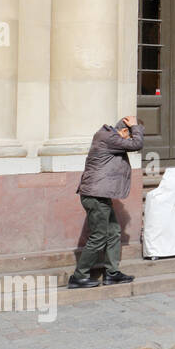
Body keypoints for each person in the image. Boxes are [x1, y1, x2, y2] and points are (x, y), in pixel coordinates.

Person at [68, 115, 145, 289]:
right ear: (125, 130)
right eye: (130, 134)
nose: (130, 138)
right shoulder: (108, 137)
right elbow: (136, 145)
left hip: (100, 194)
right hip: (95, 195)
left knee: (113, 231)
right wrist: (135, 127)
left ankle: (112, 273)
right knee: (99, 236)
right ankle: (79, 276)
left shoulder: (110, 138)